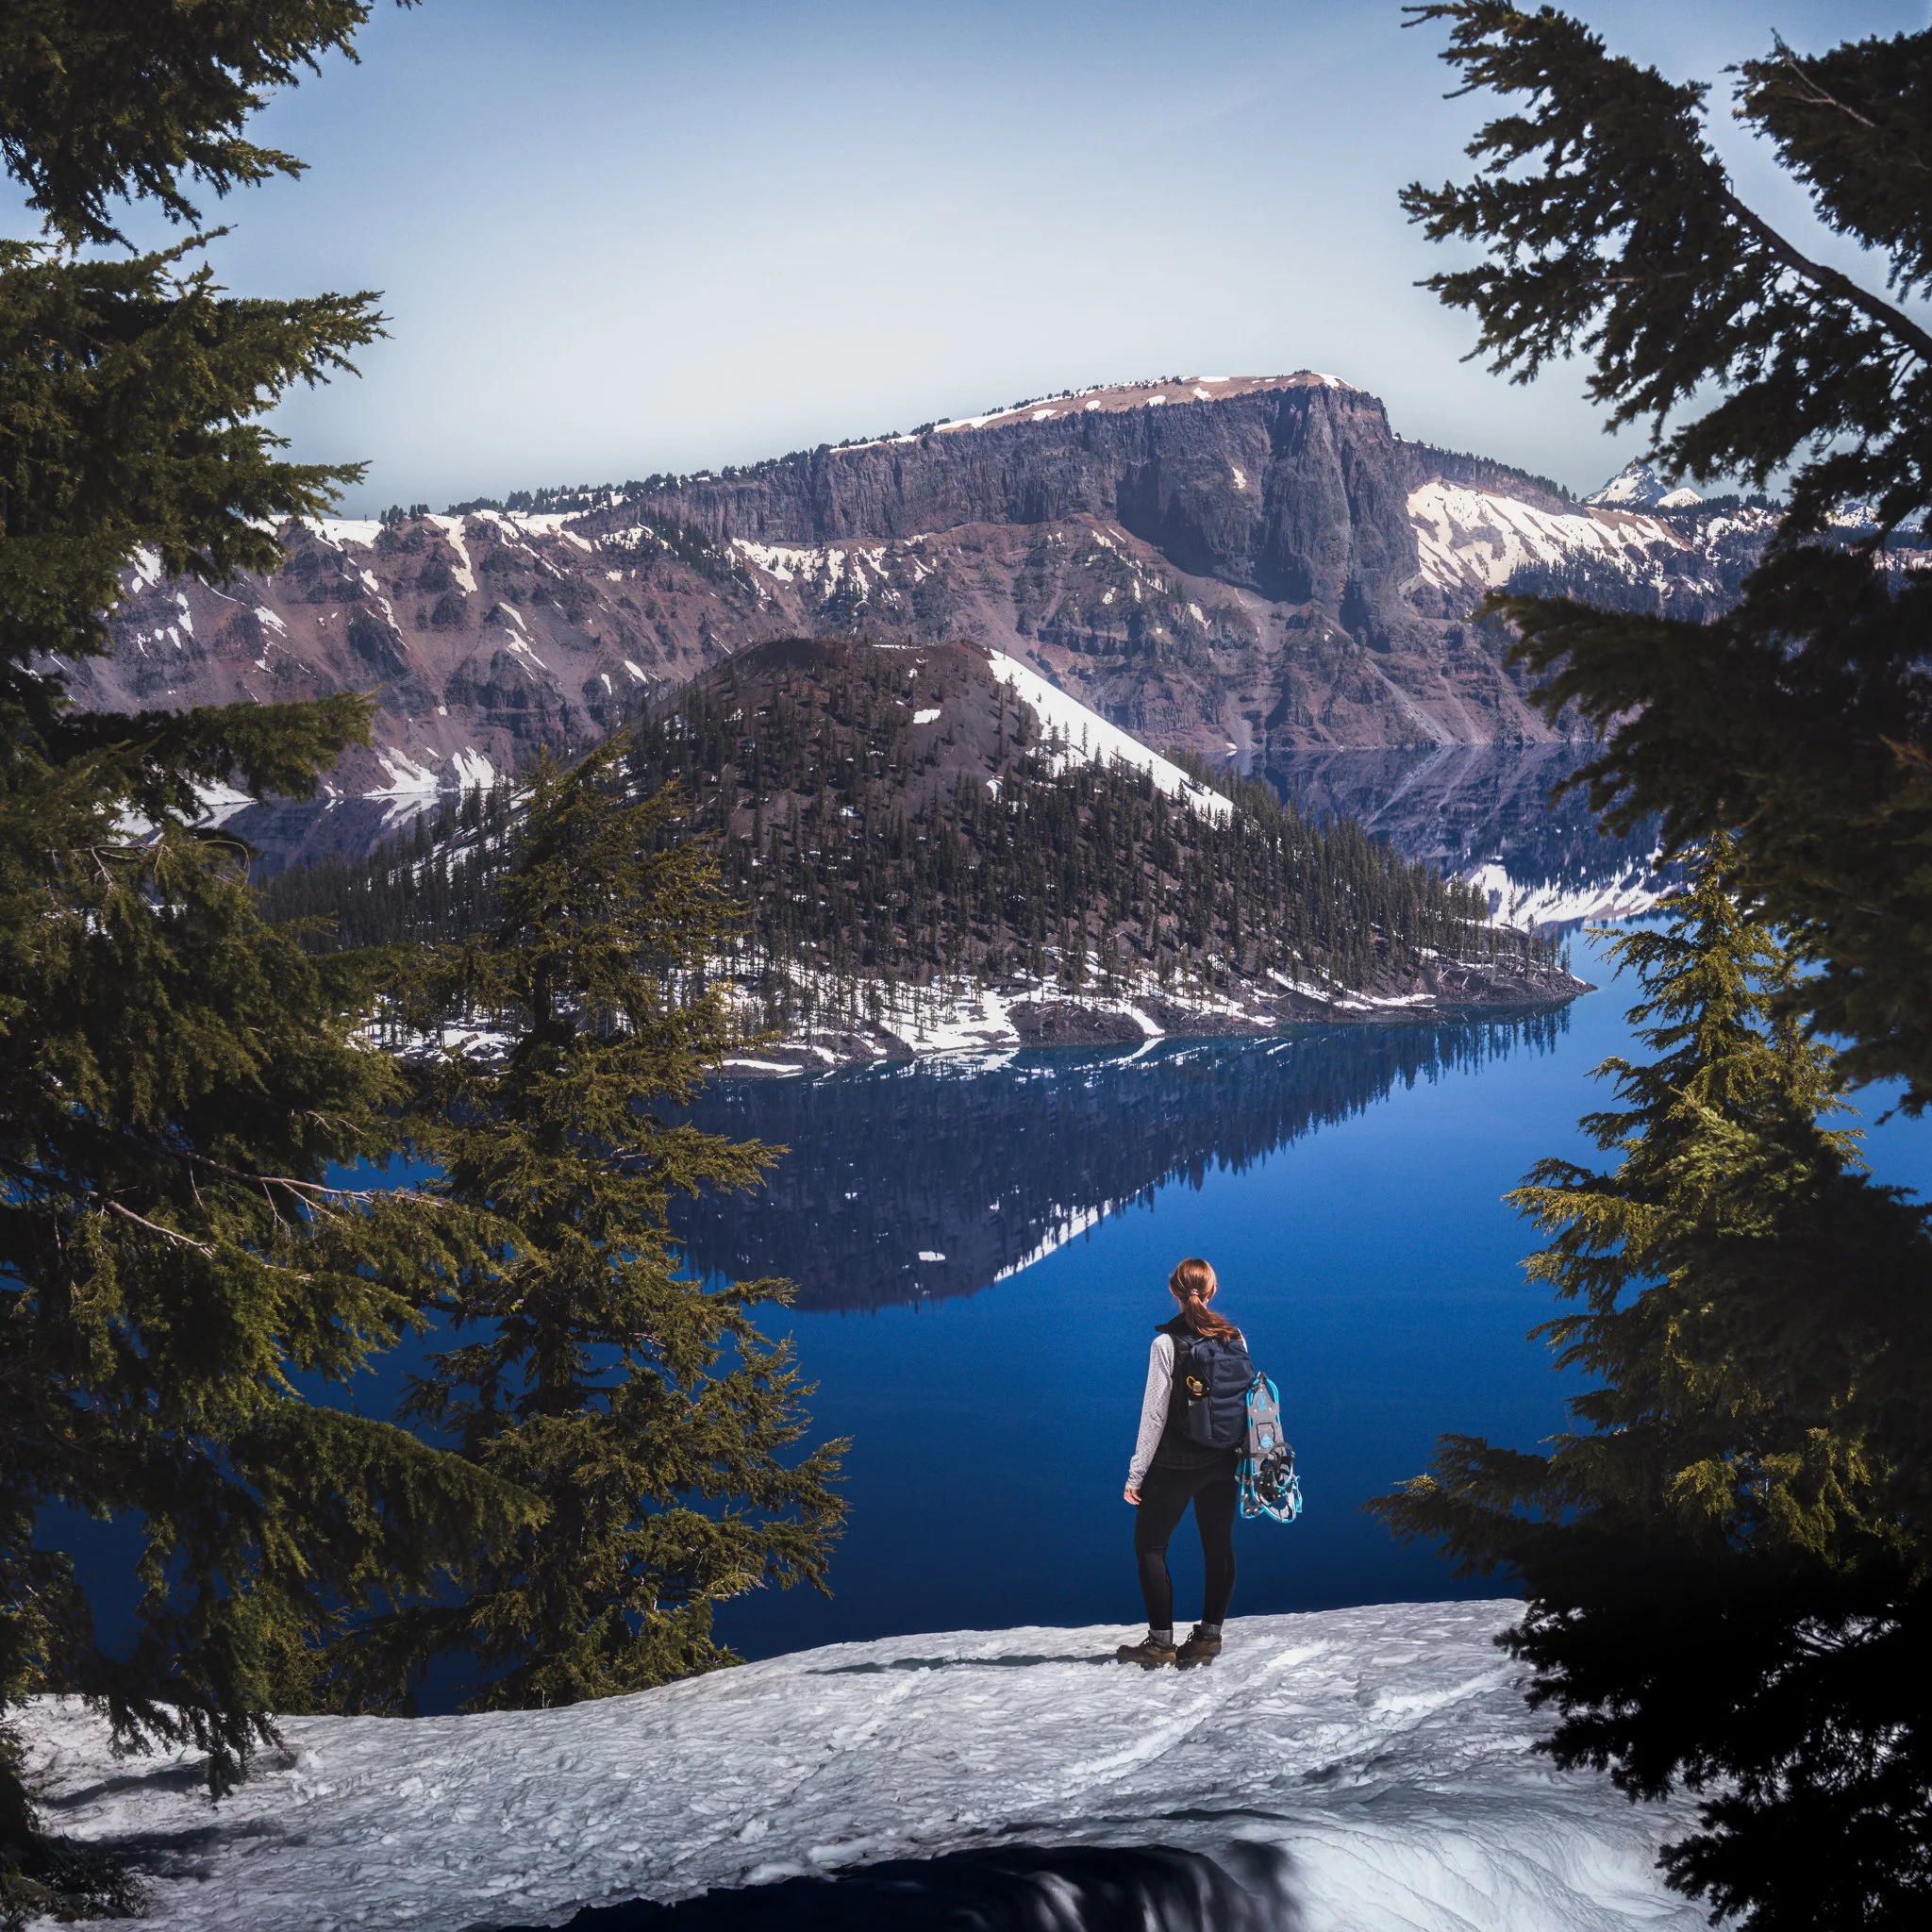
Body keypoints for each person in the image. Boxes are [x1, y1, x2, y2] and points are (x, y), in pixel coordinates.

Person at [1117, 1257, 1245, 1669]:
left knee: (1151, 1548)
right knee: (1218, 1545)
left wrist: (1136, 1473)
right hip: (1225, 1462)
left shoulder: (1165, 1344)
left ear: (1173, 1291)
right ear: (1213, 1291)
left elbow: (1153, 1415)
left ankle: (1160, 1645)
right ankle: (1209, 1638)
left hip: (1175, 1465)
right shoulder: (1235, 1337)